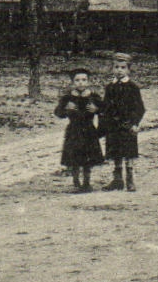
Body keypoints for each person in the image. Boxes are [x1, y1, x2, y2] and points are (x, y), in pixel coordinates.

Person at [98, 53, 146, 192]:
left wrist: (135, 123)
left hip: (127, 125)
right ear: (112, 69)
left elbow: (139, 108)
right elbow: (105, 107)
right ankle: (117, 179)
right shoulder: (110, 87)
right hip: (113, 125)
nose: (119, 70)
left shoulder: (132, 87)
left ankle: (130, 179)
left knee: (128, 151)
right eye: (116, 67)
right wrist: (103, 125)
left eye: (123, 67)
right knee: (115, 151)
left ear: (128, 70)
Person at [55, 68, 105, 192]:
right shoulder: (68, 98)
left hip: (89, 129)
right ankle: (76, 181)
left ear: (88, 81)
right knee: (75, 157)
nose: (81, 83)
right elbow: (58, 113)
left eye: (84, 80)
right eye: (77, 80)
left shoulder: (93, 97)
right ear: (73, 82)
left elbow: (105, 110)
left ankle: (87, 182)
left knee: (88, 157)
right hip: (74, 130)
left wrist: (96, 109)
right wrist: (66, 109)